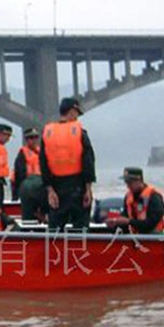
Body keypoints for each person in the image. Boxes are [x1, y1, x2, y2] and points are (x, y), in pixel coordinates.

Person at [40, 97, 96, 231]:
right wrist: (88, 189)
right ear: (72, 111)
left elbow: (43, 163)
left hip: (56, 187)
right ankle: (80, 250)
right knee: (81, 228)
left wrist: (49, 190)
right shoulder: (80, 133)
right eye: (77, 113)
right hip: (78, 187)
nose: (77, 117)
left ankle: (53, 251)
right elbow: (88, 161)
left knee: (55, 229)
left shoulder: (48, 133)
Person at [105, 167, 164, 234]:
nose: (128, 186)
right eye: (126, 183)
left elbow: (151, 223)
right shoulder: (128, 197)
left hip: (154, 238)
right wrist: (115, 222)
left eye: (130, 182)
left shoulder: (154, 197)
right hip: (136, 237)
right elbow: (126, 216)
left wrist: (129, 221)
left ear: (139, 180)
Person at [15, 127, 47, 222]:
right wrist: (17, 192)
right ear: (26, 140)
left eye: (36, 137)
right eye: (31, 138)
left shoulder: (41, 152)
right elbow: (19, 173)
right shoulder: (22, 153)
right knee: (29, 216)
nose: (34, 140)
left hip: (41, 186)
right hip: (28, 187)